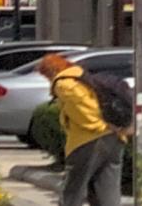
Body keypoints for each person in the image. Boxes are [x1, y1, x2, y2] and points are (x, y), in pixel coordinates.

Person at [43, 50, 122, 206]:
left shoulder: (64, 84)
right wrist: (114, 128)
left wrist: (99, 126)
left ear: (50, 71)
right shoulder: (84, 78)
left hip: (88, 140)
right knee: (107, 191)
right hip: (115, 138)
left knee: (73, 191)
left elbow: (84, 110)